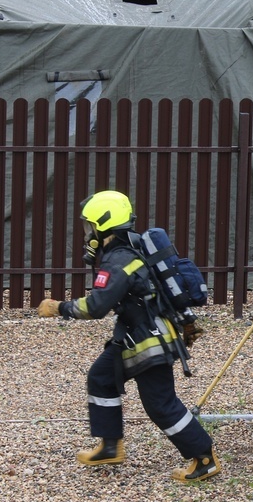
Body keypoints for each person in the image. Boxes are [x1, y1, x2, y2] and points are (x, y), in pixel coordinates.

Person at [37, 190, 221, 483]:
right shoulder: (128, 247)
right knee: (101, 377)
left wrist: (59, 307)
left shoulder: (119, 260)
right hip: (136, 335)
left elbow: (97, 306)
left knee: (160, 404)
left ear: (104, 225)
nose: (87, 233)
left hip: (148, 341)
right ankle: (110, 446)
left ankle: (204, 458)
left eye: (90, 226)